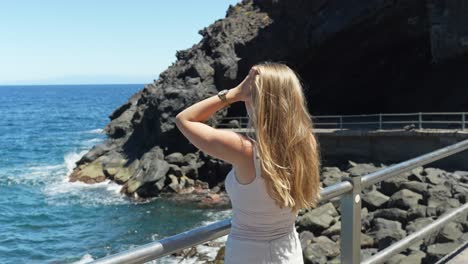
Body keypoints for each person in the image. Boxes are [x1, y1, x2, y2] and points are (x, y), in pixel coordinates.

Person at [175, 61, 321, 263]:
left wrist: (232, 94)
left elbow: (184, 120)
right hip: (288, 252)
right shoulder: (306, 143)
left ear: (256, 99)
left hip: (248, 255)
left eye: (249, 92)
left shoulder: (245, 151)